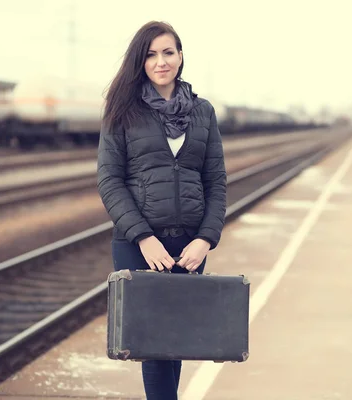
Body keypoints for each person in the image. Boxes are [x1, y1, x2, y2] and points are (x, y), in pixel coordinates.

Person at [96, 21, 227, 400]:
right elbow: (109, 180)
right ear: (141, 62)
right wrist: (143, 237)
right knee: (154, 347)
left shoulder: (203, 112)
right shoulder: (122, 111)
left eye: (168, 52)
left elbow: (215, 180)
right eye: (151, 54)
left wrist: (206, 238)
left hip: (189, 245)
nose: (160, 62)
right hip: (138, 244)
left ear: (181, 56)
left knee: (176, 341)